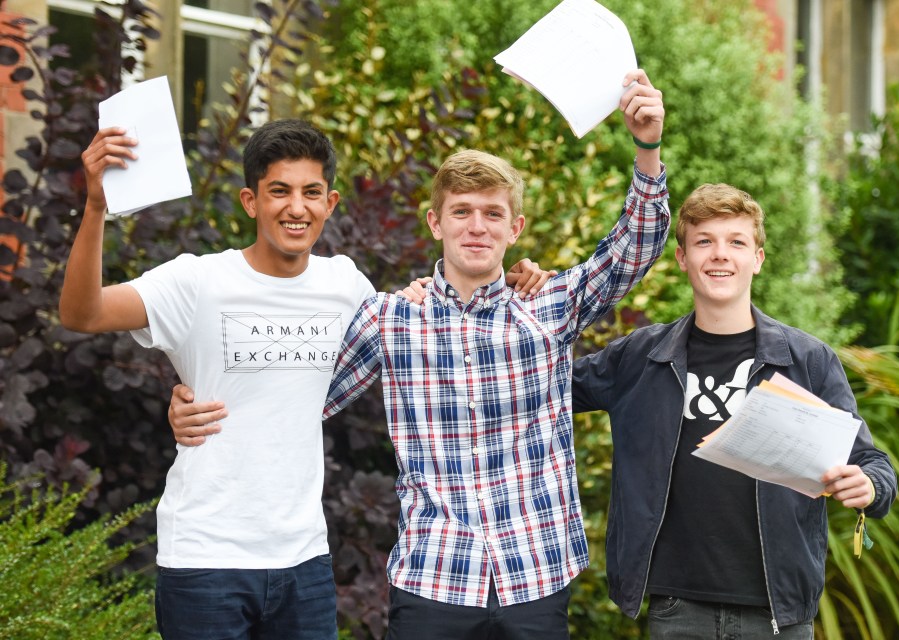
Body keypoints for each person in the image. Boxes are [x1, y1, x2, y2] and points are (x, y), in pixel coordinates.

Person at [168, 68, 669, 639]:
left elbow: (637, 245)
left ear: (516, 227)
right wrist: (193, 401)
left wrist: (647, 147)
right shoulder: (392, 318)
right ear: (436, 222)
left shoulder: (551, 303)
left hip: (535, 570)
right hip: (434, 579)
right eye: (461, 211)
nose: (476, 226)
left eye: (492, 213)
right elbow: (298, 389)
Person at [61, 119, 549, 639]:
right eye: (279, 192)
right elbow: (82, 313)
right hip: (205, 557)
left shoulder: (346, 285)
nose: (297, 208)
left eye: (311, 192)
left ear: (330, 202)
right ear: (251, 201)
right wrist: (95, 208)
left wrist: (515, 281)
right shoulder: (196, 280)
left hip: (305, 560)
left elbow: (429, 330)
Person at [570, 183, 897, 638]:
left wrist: (869, 486)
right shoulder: (639, 357)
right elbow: (540, 385)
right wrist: (516, 305)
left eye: (736, 242)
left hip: (777, 614)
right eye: (704, 241)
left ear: (757, 259)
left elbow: (872, 465)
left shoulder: (808, 361)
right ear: (683, 258)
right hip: (677, 609)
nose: (719, 254)